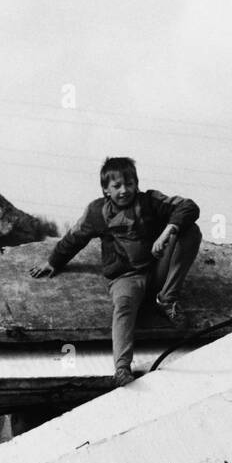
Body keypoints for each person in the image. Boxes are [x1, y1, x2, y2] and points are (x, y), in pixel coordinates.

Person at [30, 157, 201, 387]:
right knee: (123, 307)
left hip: (156, 270)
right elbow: (75, 236)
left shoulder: (149, 201)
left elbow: (188, 206)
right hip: (125, 277)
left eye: (129, 184)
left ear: (137, 184)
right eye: (117, 186)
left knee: (191, 231)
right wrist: (54, 261)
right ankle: (121, 367)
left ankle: (167, 298)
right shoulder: (97, 211)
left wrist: (168, 231)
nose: (124, 190)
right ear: (105, 189)